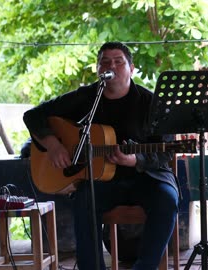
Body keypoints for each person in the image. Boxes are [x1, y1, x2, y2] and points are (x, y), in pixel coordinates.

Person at [23, 42, 179, 270]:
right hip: (102, 180)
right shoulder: (87, 97)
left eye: (118, 62)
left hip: (147, 177)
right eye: (105, 62)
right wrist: (53, 144)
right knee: (85, 200)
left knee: (167, 198)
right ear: (98, 69)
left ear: (132, 68)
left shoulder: (151, 103)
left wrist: (136, 159)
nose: (111, 66)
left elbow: (165, 149)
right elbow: (33, 115)